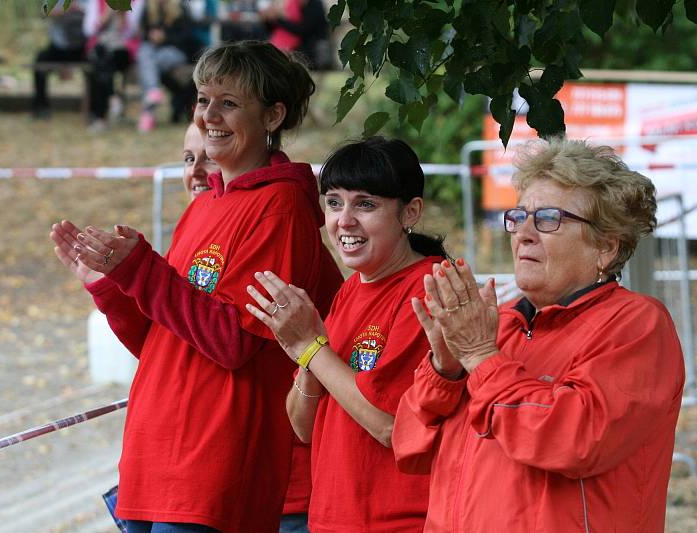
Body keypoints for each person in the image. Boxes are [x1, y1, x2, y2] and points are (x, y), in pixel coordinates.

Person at [51, 40, 343, 532]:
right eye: (204, 99)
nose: (210, 115)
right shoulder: (207, 204)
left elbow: (233, 343)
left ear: (273, 116)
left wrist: (142, 270)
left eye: (229, 103)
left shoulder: (279, 206)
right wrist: (111, 286)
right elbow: (163, 342)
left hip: (210, 464)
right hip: (156, 457)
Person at [392, 138, 685, 532]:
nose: (524, 234)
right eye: (519, 217)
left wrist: (480, 357)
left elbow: (572, 439)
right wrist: (445, 370)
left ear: (606, 246)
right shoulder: (501, 322)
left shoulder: (636, 324)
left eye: (549, 218)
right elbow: (409, 447)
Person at [245, 137, 446, 532]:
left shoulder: (429, 288)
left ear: (411, 212)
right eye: (334, 202)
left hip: (398, 521)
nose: (344, 220)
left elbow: (390, 426)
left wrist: (310, 347)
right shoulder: (353, 287)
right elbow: (303, 425)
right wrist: (306, 352)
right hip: (332, 517)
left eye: (365, 204)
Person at [137, 0, 199, 131]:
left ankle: (148, 111)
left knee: (148, 64)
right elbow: (142, 34)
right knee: (144, 50)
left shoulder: (181, 7)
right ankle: (152, 93)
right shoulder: (148, 8)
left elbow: (187, 37)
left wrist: (165, 38)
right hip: (152, 51)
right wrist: (151, 36)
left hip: (176, 52)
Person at [84, 0, 144, 131]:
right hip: (102, 50)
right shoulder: (96, 2)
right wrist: (106, 14)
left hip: (123, 51)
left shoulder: (137, 2)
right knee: (102, 59)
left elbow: (133, 33)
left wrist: (122, 16)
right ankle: (113, 98)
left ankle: (100, 116)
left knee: (102, 62)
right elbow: (89, 30)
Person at [32, 0, 87, 119]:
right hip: (58, 46)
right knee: (39, 63)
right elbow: (43, 12)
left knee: (98, 64)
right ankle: (41, 107)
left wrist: (81, 11)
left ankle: (96, 110)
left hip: (81, 46)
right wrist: (65, 11)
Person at [259, 0, 332, 71]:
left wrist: (278, 19)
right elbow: (272, 28)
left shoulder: (314, 4)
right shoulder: (292, 4)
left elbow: (304, 29)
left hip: (311, 48)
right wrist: (269, 19)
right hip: (293, 46)